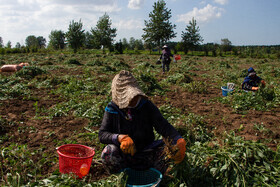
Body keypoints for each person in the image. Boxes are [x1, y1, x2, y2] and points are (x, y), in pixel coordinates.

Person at [98, 70, 186, 175]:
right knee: (108, 153)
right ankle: (122, 175)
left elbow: (163, 125)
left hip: (147, 151)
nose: (133, 100)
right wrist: (119, 138)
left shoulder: (146, 105)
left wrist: (177, 139)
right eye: (129, 99)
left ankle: (153, 173)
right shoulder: (112, 109)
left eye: (134, 97)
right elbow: (102, 134)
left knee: (169, 151)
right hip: (124, 154)